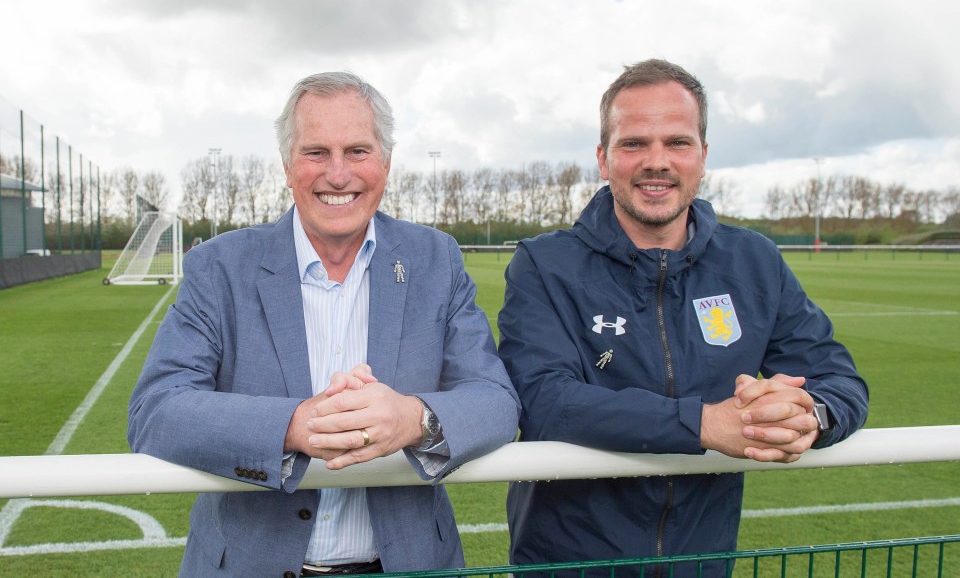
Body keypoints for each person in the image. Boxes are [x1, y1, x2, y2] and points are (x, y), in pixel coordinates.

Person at [128, 71, 520, 577]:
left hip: (410, 564)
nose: (338, 174)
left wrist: (411, 419)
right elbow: (156, 409)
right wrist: (291, 427)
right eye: (316, 152)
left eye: (357, 151)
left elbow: (495, 399)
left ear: (386, 163)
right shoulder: (221, 267)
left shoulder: (434, 260)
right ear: (288, 166)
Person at [498, 59, 869, 576]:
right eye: (634, 144)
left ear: (702, 155)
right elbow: (543, 401)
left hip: (703, 563)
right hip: (568, 564)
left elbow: (840, 381)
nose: (657, 161)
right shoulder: (544, 264)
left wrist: (809, 414)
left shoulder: (753, 261)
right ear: (604, 159)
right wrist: (703, 424)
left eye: (677, 142)